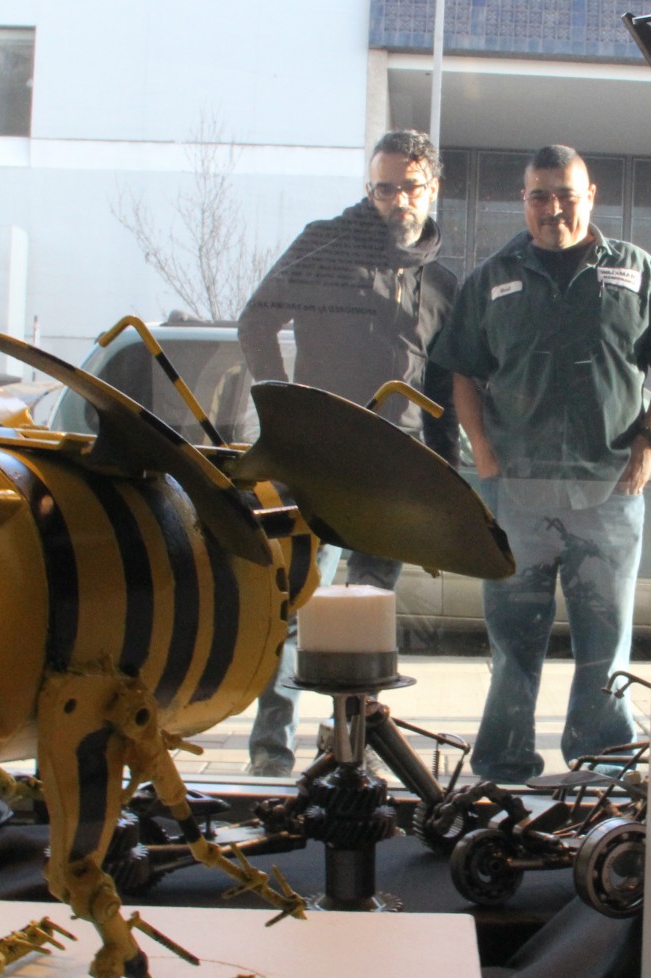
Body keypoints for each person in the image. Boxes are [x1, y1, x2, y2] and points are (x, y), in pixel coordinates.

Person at [430, 144, 651, 783]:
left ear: (590, 194)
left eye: (566, 194)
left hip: (611, 489)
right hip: (517, 492)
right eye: (540, 196)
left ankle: (601, 759)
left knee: (605, 637)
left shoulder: (636, 271)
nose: (553, 208)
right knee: (513, 636)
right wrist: (484, 453)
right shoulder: (491, 279)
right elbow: (461, 372)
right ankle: (503, 760)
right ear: (524, 201)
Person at [237, 129, 459, 776]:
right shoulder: (324, 244)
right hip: (322, 466)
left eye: (408, 187)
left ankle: (349, 751)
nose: (396, 200)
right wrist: (285, 413)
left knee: (367, 620)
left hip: (396, 473)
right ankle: (270, 755)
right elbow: (256, 322)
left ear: (432, 188)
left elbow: (442, 387)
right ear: (370, 189)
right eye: (383, 187)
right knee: (295, 606)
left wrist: (446, 476)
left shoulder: (443, 283)